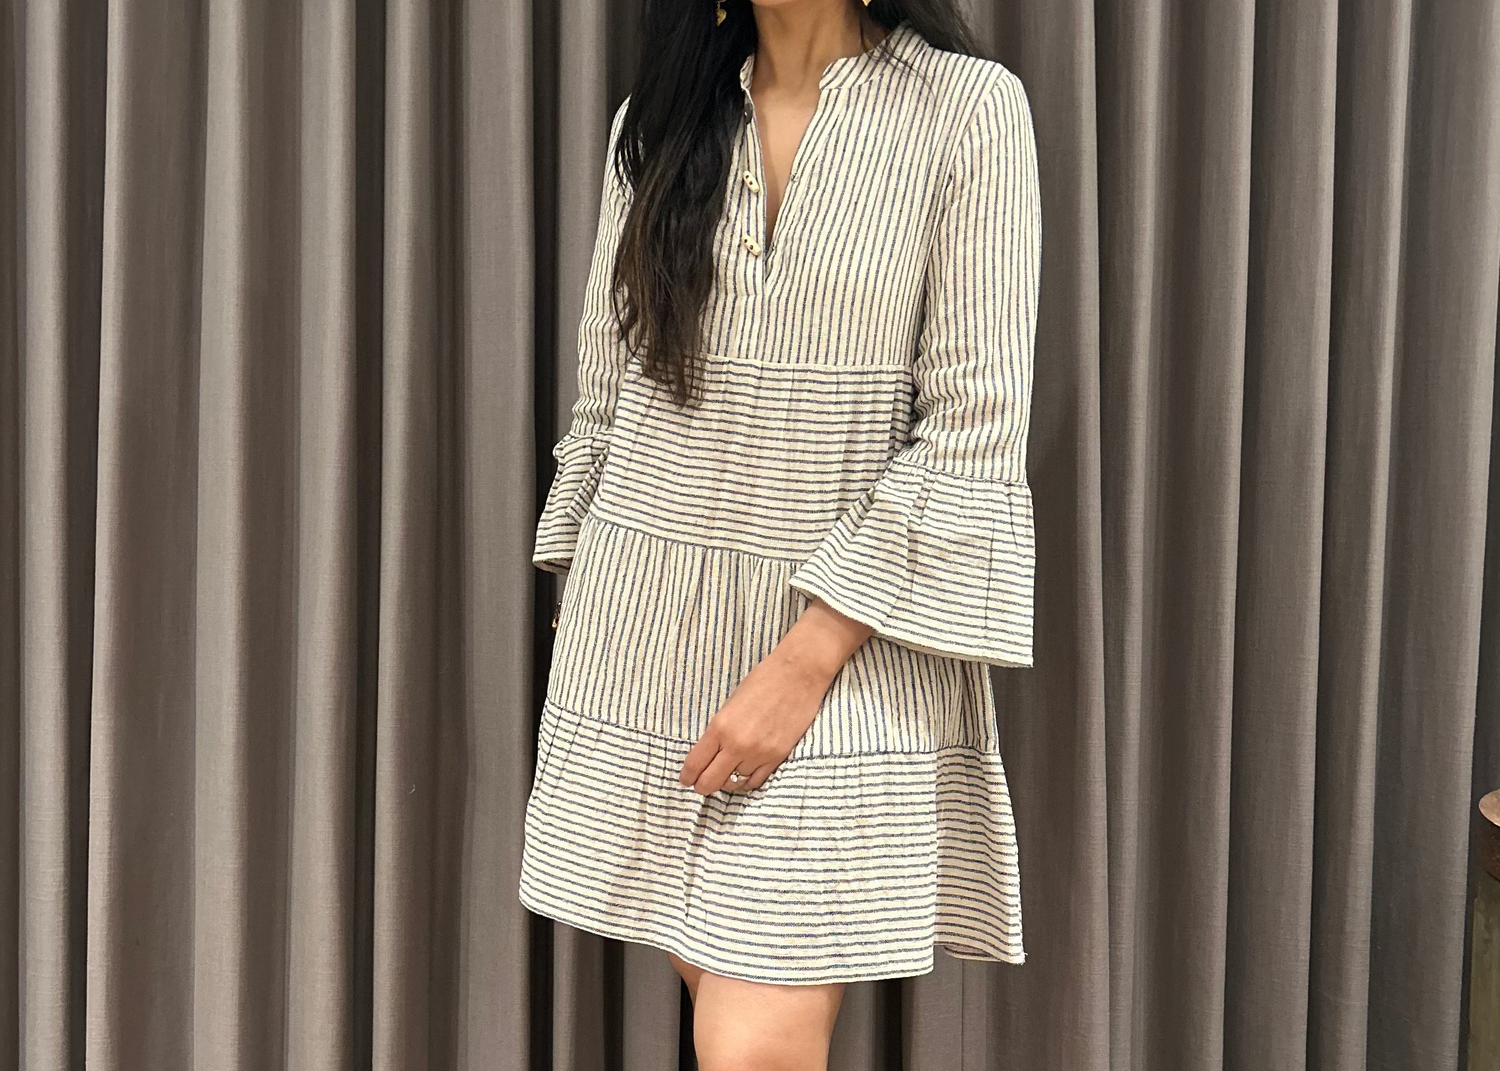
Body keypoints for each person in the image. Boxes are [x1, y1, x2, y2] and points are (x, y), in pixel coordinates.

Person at [523, 0, 1041, 1066]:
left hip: (850, 635)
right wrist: (594, 619)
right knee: (739, 1030)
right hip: (645, 637)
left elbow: (976, 430)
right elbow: (608, 407)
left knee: (756, 1037)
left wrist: (806, 662)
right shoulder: (659, 123)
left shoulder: (967, 112)